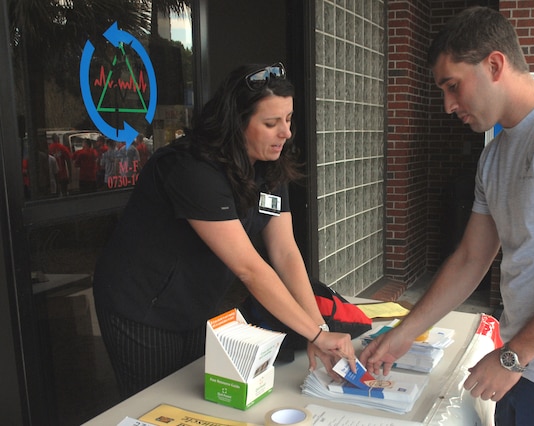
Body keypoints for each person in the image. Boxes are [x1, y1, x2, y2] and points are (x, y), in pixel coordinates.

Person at [359, 7, 534, 426]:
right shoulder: (495, 157)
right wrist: (400, 336)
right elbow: (472, 257)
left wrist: (512, 357)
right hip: (521, 366)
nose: (448, 105)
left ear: (494, 64)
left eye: (453, 86)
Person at [92, 62, 355, 399]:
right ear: (237, 123)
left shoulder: (269, 167)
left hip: (196, 302)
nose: (286, 133)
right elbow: (249, 268)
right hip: (141, 304)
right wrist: (317, 337)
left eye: (288, 120)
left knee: (192, 400)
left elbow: (285, 251)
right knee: (155, 404)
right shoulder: (192, 169)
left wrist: (317, 328)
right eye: (271, 123)